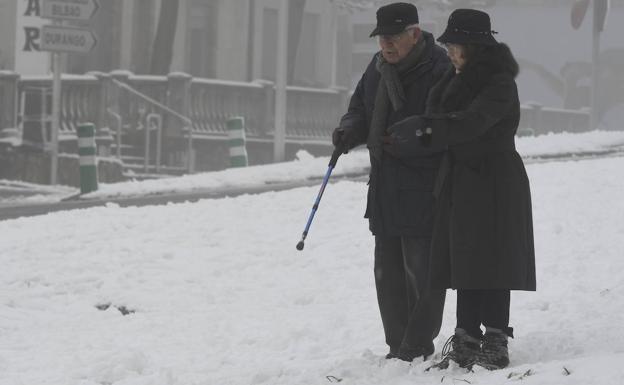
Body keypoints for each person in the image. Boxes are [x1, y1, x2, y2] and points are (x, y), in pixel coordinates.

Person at [387, 9, 536, 370]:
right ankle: (466, 336)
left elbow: (473, 123)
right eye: (449, 46)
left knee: (494, 258)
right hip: (462, 181)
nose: (451, 52)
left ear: (474, 46)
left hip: (495, 180)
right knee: (465, 258)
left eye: (456, 46)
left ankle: (496, 338)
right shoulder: (455, 81)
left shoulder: (498, 83)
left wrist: (425, 129)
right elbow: (447, 122)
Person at [332, 2, 449, 362]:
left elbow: (446, 124)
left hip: (423, 186)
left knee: (423, 272)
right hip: (384, 186)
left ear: (414, 34)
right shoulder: (378, 68)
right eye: (382, 38)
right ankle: (397, 345)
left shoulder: (439, 67)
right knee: (387, 271)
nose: (386, 45)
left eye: (393, 38)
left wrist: (411, 139)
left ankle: (417, 344)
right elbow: (360, 109)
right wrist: (349, 131)